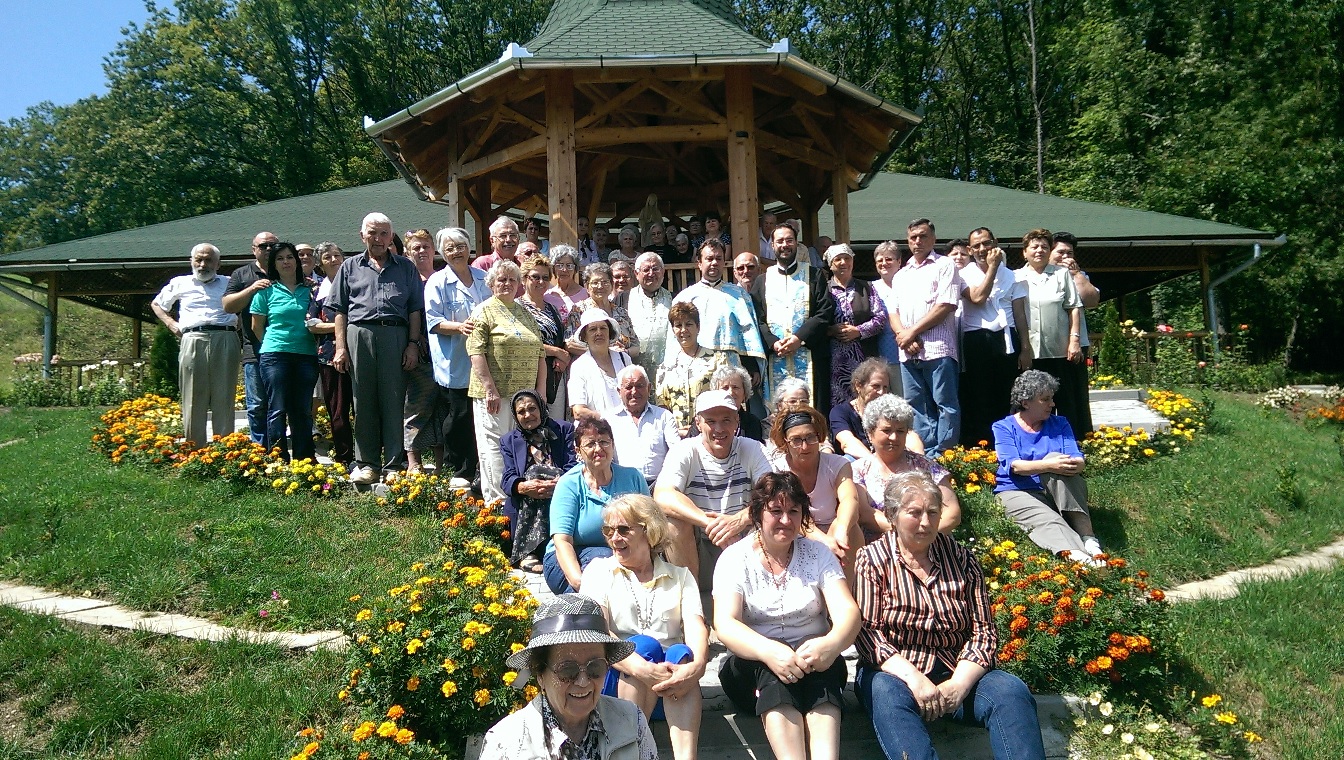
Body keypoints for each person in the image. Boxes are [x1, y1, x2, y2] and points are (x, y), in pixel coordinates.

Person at [855, 471, 1046, 760]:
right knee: (884, 692)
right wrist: (916, 680)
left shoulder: (963, 559)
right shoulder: (871, 560)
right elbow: (868, 634)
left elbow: (984, 632)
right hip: (898, 672)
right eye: (914, 513)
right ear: (892, 514)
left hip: (956, 669)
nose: (925, 522)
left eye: (933, 513)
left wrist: (959, 684)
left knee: (1010, 691)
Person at [713, 472, 861, 760]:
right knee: (772, 674)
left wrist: (829, 645)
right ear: (757, 514)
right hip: (751, 668)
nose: (785, 520)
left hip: (813, 664)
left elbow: (848, 612)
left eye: (794, 511)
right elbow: (725, 624)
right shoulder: (734, 559)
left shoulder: (818, 554)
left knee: (825, 671)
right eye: (776, 511)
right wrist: (769, 651)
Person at [581, 495, 708, 760]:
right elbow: (597, 631)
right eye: (609, 531)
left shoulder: (680, 577)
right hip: (618, 682)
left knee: (682, 654)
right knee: (644, 645)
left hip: (670, 685)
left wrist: (697, 666)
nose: (615, 538)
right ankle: (629, 752)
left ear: (649, 530)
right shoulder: (599, 572)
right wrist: (643, 668)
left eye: (624, 529)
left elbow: (696, 625)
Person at [484, 594, 656, 760]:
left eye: (595, 667)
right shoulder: (506, 743)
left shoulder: (633, 722)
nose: (583, 682)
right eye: (567, 671)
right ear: (540, 674)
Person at [327, 213, 425, 483]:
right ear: (362, 236)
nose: (379, 239)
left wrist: (413, 345)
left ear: (390, 237)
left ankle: (394, 465)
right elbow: (339, 311)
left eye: (384, 234)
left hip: (396, 334)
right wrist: (341, 348)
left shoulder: (405, 267)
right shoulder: (349, 266)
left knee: (394, 400)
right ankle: (368, 463)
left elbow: (415, 309)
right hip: (360, 334)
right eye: (373, 233)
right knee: (363, 401)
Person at [654, 390, 772, 582]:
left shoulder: (753, 448)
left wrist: (740, 520)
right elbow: (663, 496)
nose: (719, 429)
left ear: (737, 422)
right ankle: (690, 598)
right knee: (673, 523)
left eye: (726, 420)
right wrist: (711, 523)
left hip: (743, 539)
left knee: (771, 517)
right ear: (698, 423)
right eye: (711, 421)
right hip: (698, 543)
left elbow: (774, 495)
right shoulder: (685, 450)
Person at [992, 370, 1104, 563]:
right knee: (1049, 520)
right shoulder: (1003, 427)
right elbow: (1014, 466)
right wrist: (1049, 465)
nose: (1052, 404)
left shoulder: (1060, 423)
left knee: (1060, 459)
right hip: (1017, 490)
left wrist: (1073, 464)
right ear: (1025, 402)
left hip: (1056, 489)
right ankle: (1080, 559)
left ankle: (1089, 539)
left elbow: (1077, 458)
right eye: (1045, 399)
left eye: (1052, 398)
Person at [467, 260, 547, 506]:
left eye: (512, 280)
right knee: (495, 446)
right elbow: (475, 351)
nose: (507, 284)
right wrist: (490, 389)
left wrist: (540, 393)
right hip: (495, 394)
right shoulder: (483, 310)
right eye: (501, 279)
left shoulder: (524, 312)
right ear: (491, 284)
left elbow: (540, 353)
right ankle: (497, 502)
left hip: (523, 398)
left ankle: (519, 495)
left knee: (520, 444)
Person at [546, 416, 651, 594]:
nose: (598, 449)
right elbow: (562, 541)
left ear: (613, 445)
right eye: (590, 444)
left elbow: (650, 527)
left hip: (624, 556)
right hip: (568, 561)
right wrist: (580, 583)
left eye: (604, 442)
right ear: (578, 450)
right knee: (604, 568)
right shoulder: (568, 484)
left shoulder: (633, 477)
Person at [150, 243, 240, 449]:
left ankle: (225, 450)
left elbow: (246, 305)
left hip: (225, 338)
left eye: (208, 260)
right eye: (198, 259)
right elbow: (157, 304)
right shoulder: (180, 283)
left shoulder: (230, 283)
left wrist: (238, 325)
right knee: (192, 395)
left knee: (224, 395)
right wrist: (171, 324)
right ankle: (194, 448)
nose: (202, 264)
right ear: (191, 261)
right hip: (193, 338)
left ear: (218, 263)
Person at [425, 227, 491, 485]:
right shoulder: (437, 281)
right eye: (450, 248)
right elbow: (433, 321)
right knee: (459, 415)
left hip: (484, 358)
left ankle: (479, 469)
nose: (456, 252)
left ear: (469, 248)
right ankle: (459, 469)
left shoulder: (483, 277)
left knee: (482, 415)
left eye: (460, 246)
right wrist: (460, 327)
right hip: (455, 359)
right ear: (443, 253)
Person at [889, 219, 961, 454]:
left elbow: (946, 305)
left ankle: (946, 456)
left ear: (933, 238)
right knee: (916, 406)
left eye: (923, 236)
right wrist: (904, 336)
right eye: (913, 237)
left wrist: (911, 333)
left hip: (938, 348)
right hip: (908, 351)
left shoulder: (945, 265)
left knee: (945, 404)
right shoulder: (901, 275)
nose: (917, 241)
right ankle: (925, 455)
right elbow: (893, 312)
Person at [768, 407, 863, 580]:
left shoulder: (837, 464)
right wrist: (825, 542)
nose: (804, 446)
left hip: (833, 530)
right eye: (796, 440)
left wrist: (841, 530)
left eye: (810, 438)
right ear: (785, 442)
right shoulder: (777, 469)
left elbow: (850, 499)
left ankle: (846, 593)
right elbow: (793, 515)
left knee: (852, 529)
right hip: (795, 529)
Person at [753, 224, 837, 413]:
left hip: (810, 354)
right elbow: (757, 319)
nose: (785, 245)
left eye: (789, 240)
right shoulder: (762, 280)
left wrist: (799, 339)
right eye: (780, 241)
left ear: (797, 244)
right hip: (776, 356)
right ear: (772, 245)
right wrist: (774, 343)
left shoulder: (814, 275)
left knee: (813, 411)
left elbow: (824, 312)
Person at [958, 228, 1031, 448]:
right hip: (977, 338)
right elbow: (978, 298)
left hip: (1007, 338)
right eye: (977, 246)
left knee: (1007, 393)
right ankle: (983, 444)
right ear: (970, 250)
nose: (983, 249)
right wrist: (992, 268)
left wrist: (1026, 348)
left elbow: (1019, 314)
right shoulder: (963, 274)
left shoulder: (1013, 276)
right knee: (980, 394)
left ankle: (1009, 442)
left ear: (995, 244)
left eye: (987, 243)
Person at [852, 394, 960, 538]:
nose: (894, 437)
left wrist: (925, 537)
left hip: (930, 543)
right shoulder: (858, 470)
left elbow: (952, 512)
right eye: (887, 430)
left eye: (900, 431)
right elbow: (864, 514)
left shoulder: (926, 466)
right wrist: (905, 537)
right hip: (880, 548)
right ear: (871, 433)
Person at [249, 241, 318, 461]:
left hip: (306, 355)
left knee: (302, 410)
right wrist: (273, 345)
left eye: (289, 257)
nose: (286, 262)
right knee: (277, 408)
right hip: (275, 355)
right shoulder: (266, 290)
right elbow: (256, 326)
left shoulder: (310, 290)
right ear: (273, 264)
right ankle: (278, 459)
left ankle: (304, 459)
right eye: (280, 259)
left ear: (296, 261)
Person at [1016, 228, 1087, 439]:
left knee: (1066, 401)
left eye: (1044, 247)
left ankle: (1073, 442)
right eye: (1034, 247)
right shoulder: (1016, 277)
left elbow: (1074, 307)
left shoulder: (1061, 274)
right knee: (1032, 402)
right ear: (1025, 252)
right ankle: (1035, 441)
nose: (1039, 251)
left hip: (1059, 349)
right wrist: (1024, 348)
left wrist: (1074, 340)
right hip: (1030, 352)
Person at [502, 389, 577, 573]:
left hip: (560, 490)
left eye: (532, 409)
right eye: (521, 412)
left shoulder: (563, 429)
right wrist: (524, 487)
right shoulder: (509, 440)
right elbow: (507, 477)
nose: (528, 415)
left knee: (536, 470)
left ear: (541, 408)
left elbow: (572, 467)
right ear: (515, 415)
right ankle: (531, 552)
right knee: (531, 474)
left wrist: (557, 485)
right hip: (528, 498)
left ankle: (532, 551)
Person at [672, 238, 766, 374]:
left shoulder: (739, 296)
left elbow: (749, 334)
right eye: (709, 259)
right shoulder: (685, 297)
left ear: (724, 262)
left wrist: (752, 366)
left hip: (733, 367)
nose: (714, 263)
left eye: (718, 258)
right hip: (696, 366)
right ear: (699, 263)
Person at [222, 231, 279, 445]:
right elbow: (228, 306)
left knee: (281, 404)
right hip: (253, 350)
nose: (268, 249)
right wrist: (251, 289)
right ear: (253, 249)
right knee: (257, 405)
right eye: (263, 246)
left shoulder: (287, 270)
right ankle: (259, 451)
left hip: (285, 349)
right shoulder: (242, 274)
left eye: (273, 245)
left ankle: (279, 449)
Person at [307, 242, 354, 467]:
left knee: (364, 408)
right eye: (328, 257)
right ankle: (344, 456)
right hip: (329, 356)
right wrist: (341, 327)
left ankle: (370, 455)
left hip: (358, 353)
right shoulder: (317, 292)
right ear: (320, 264)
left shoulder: (356, 284)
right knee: (337, 409)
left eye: (337, 255)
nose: (334, 260)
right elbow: (312, 324)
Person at [825, 244, 888, 408]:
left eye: (847, 258)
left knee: (867, 398)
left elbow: (880, 318)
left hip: (863, 356)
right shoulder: (824, 290)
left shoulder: (866, 287)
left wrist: (858, 331)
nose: (843, 262)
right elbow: (815, 320)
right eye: (837, 259)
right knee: (838, 403)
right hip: (834, 360)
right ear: (830, 264)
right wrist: (831, 330)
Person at [402, 229, 443, 473]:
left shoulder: (442, 279)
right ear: (408, 252)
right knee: (416, 406)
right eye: (416, 248)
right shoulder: (407, 282)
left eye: (425, 247)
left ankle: (441, 464)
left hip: (445, 353)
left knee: (442, 407)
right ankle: (413, 461)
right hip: (417, 353)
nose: (421, 251)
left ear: (433, 250)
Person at [655, 302, 729, 436]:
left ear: (698, 327)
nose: (683, 330)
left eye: (688, 324)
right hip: (676, 437)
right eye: (678, 325)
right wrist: (675, 431)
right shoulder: (665, 367)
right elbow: (662, 408)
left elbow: (724, 399)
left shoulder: (717, 360)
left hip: (709, 434)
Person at [1050, 232, 1097, 435]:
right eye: (1060, 252)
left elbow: (1092, 301)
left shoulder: (1079, 275)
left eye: (1070, 252)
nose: (1065, 257)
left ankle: (1080, 438)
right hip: (1046, 348)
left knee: (1076, 397)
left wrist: (1076, 274)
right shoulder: (1041, 274)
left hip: (1075, 346)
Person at [604, 365, 681, 487]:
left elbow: (677, 453)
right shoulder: (608, 419)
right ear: (619, 391)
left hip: (659, 486)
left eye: (639, 386)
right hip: (622, 485)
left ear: (649, 388)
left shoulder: (664, 416)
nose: (634, 392)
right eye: (628, 387)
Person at [829, 358, 922, 459]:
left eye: (885, 387)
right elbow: (848, 443)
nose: (881, 392)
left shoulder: (890, 409)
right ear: (858, 386)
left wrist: (919, 459)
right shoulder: (840, 412)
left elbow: (910, 435)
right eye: (876, 386)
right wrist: (876, 464)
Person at [518, 253, 573, 420]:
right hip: (528, 372)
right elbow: (522, 343)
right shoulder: (517, 308)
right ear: (524, 279)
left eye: (545, 277)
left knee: (555, 424)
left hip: (554, 376)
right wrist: (557, 352)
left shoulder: (552, 308)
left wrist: (562, 358)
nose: (541, 282)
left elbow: (561, 339)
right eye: (535, 277)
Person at [566, 263, 640, 358]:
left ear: (611, 284)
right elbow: (569, 344)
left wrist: (624, 352)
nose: (600, 286)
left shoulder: (621, 313)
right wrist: (605, 353)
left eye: (605, 282)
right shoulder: (579, 311)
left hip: (620, 366)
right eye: (595, 282)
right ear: (586, 286)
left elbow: (636, 347)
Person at [569, 309, 633, 418]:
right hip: (596, 430)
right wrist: (608, 420)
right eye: (593, 329)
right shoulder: (579, 366)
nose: (599, 333)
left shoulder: (624, 359)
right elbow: (578, 411)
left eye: (603, 328)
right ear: (584, 336)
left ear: (610, 332)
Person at [620, 252, 673, 381]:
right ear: (636, 274)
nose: (651, 273)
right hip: (632, 371)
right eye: (646, 269)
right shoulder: (623, 298)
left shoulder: (674, 298)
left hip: (668, 370)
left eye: (655, 269)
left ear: (663, 272)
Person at [870, 240, 904, 367]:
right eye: (879, 260)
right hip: (880, 353)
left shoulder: (910, 285)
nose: (884, 263)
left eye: (889, 259)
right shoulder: (870, 288)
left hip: (909, 351)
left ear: (899, 262)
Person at [712, 364, 765, 442]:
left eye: (735, 387)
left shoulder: (753, 422)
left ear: (744, 393)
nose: (730, 392)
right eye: (725, 388)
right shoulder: (706, 418)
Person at [545, 246, 588, 325]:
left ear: (575, 270)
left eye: (569, 266)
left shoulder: (586, 294)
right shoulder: (546, 296)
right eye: (560, 265)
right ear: (553, 268)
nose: (564, 270)